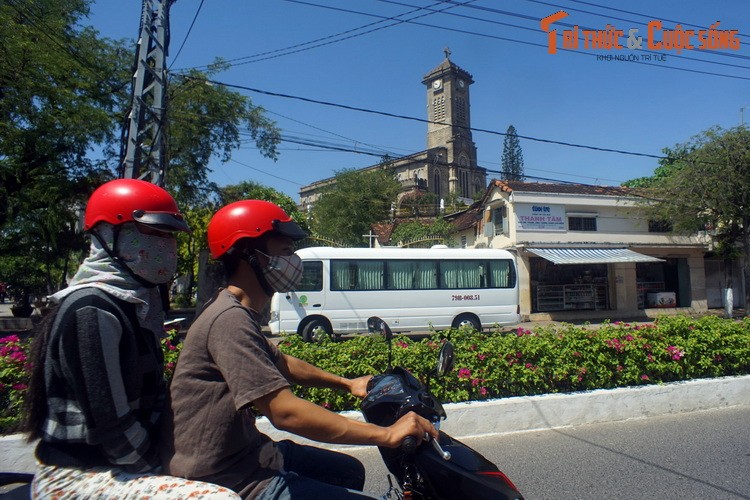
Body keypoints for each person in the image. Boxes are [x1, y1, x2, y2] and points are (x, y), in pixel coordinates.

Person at [161, 200, 438, 499]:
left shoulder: (236, 312)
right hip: (229, 475)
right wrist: (387, 435)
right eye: (284, 252)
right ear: (248, 255)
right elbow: (285, 413)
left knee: (349, 471)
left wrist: (347, 384)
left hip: (248, 452)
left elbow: (281, 362)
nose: (293, 261)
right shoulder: (228, 320)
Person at [24, 179, 239, 499]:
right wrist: (159, 464)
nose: (167, 245)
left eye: (169, 235)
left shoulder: (135, 304)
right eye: (154, 232)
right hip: (79, 473)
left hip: (120, 463)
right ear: (108, 235)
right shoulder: (92, 309)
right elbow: (111, 425)